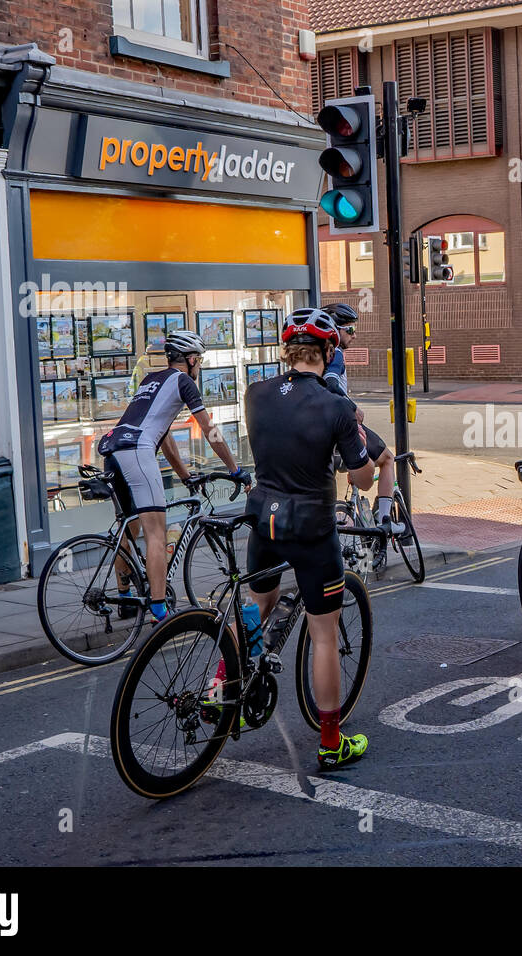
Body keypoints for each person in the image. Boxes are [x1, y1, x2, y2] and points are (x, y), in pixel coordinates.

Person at [244, 308, 377, 770]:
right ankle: (331, 742)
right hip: (312, 529)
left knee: (257, 607)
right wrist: (354, 434)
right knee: (323, 637)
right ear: (329, 351)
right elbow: (361, 480)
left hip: (263, 520)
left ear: (288, 351)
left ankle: (219, 689)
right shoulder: (335, 406)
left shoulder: (255, 394)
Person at [98, 329, 249, 623]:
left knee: (129, 529)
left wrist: (184, 475)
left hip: (113, 449)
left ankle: (126, 599)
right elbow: (210, 431)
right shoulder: (184, 382)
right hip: (137, 451)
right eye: (200, 360)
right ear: (191, 360)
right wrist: (235, 469)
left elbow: (163, 435)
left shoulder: (149, 380)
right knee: (156, 532)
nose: (201, 366)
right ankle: (158, 610)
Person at [323, 302, 403, 534]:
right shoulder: (335, 353)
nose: (354, 335)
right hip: (343, 426)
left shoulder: (318, 354)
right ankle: (385, 520)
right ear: (335, 329)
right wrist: (352, 407)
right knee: (388, 459)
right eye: (350, 330)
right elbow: (330, 383)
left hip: (323, 432)